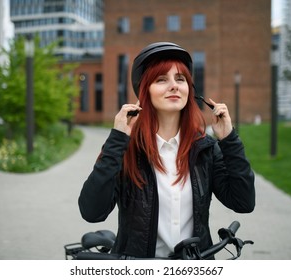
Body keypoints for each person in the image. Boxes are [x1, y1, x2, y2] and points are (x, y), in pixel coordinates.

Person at [78, 42, 255, 258]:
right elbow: (92, 212)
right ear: (145, 92)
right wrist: (117, 139)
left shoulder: (205, 149)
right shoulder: (126, 148)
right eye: (161, 79)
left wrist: (229, 139)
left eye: (180, 79)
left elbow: (243, 202)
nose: (174, 86)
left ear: (189, 90)